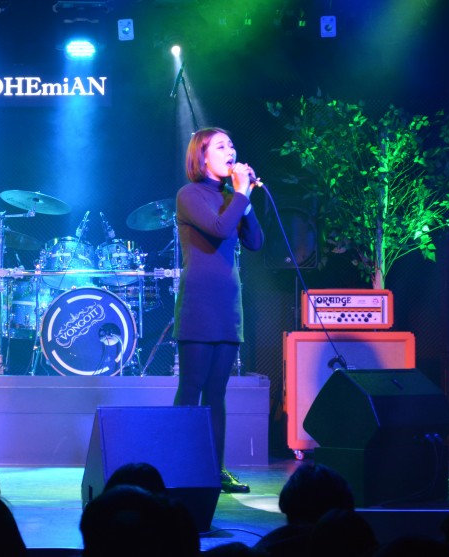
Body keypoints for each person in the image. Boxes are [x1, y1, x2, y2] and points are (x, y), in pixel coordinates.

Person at [173, 127, 264, 494]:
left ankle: (216, 469)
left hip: (228, 305)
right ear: (202, 155)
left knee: (217, 392)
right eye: (222, 146)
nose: (231, 151)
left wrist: (246, 198)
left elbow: (255, 241)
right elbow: (220, 229)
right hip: (199, 304)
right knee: (191, 388)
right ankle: (180, 466)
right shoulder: (189, 195)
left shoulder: (232, 197)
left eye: (232, 145)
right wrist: (240, 195)